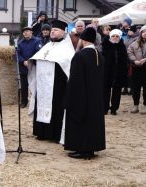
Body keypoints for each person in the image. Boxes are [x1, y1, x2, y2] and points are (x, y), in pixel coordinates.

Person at [28, 20, 75, 142]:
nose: (52, 32)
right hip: (43, 84)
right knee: (41, 103)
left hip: (57, 85)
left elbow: (68, 66)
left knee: (56, 107)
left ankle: (54, 134)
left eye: (56, 30)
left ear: (63, 32)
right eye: (52, 30)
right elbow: (37, 58)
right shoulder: (47, 46)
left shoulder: (67, 49)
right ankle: (41, 132)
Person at [64, 27, 106, 159]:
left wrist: (69, 98)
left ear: (83, 40)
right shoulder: (99, 55)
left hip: (82, 97)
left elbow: (75, 81)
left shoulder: (80, 55)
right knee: (93, 121)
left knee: (82, 121)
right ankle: (91, 149)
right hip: (96, 98)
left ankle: (82, 149)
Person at [102, 29, 128, 115]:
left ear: (120, 37)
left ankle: (114, 108)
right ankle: (104, 108)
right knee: (105, 91)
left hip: (118, 72)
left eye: (117, 36)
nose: (115, 38)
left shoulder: (122, 46)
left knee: (117, 92)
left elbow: (125, 60)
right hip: (107, 72)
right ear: (110, 37)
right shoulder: (105, 45)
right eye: (113, 36)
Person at [17, 26, 42, 108]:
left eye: (27, 31)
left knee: (35, 85)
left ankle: (36, 102)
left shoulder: (37, 41)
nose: (25, 33)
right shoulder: (20, 43)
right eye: (24, 32)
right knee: (24, 86)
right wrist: (23, 61)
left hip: (34, 67)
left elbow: (38, 52)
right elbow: (17, 54)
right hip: (23, 67)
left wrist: (30, 61)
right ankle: (24, 101)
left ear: (31, 32)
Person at [127, 25, 146, 114]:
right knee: (135, 87)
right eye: (143, 31)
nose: (145, 33)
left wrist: (145, 59)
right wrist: (134, 60)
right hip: (136, 68)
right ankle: (136, 105)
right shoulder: (135, 43)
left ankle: (145, 105)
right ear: (141, 33)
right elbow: (129, 51)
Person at [122, 25, 139, 95]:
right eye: (128, 30)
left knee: (131, 74)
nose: (128, 31)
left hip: (133, 59)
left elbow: (130, 47)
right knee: (125, 73)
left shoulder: (136, 38)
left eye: (130, 30)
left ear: (133, 31)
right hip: (126, 58)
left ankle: (132, 89)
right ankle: (125, 88)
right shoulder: (128, 37)